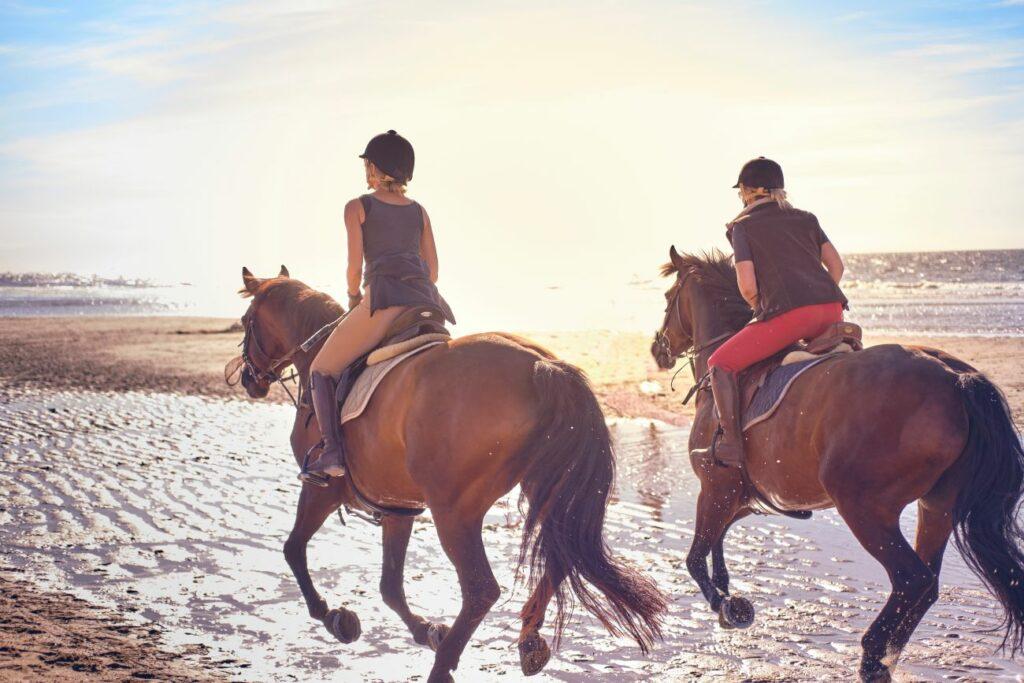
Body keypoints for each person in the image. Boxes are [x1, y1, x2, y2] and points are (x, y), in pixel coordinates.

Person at [299, 130, 455, 484]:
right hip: (428, 304)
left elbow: (355, 267)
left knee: (320, 370)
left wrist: (354, 297)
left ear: (374, 167)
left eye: (367, 163)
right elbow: (433, 271)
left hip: (383, 300)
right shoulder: (419, 211)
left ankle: (333, 454)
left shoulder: (358, 206)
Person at [692, 157, 847, 469]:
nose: (741, 196)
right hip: (832, 311)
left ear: (755, 191)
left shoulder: (742, 227)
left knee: (719, 363)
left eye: (743, 191)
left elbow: (748, 286)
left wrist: (762, 310)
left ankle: (732, 444)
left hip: (789, 315)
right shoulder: (807, 218)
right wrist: (817, 296)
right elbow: (837, 267)